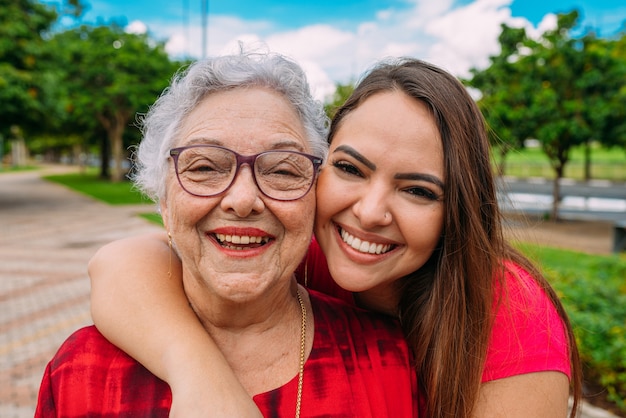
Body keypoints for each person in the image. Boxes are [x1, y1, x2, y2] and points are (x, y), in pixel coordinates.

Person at [88, 57, 582, 417]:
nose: (368, 213)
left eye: (417, 190)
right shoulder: (310, 247)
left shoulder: (511, 316)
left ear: (457, 212)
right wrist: (200, 377)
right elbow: (120, 264)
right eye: (349, 168)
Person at [34, 49, 418, 418]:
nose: (243, 199)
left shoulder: (389, 361)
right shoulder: (79, 372)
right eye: (204, 167)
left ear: (314, 198)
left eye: (282, 170)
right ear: (163, 203)